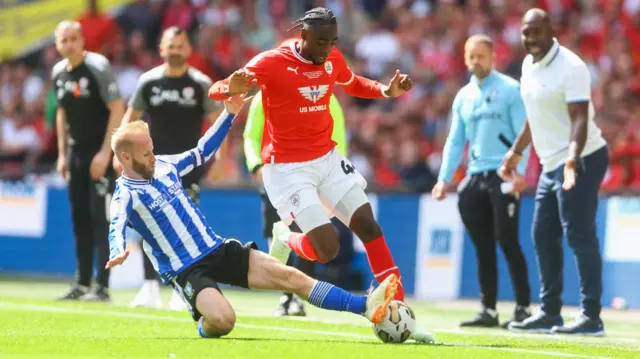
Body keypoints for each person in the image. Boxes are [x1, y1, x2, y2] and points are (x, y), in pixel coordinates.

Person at [208, 7, 435, 343]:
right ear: (303, 37)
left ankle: (397, 309)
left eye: (332, 41)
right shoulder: (271, 62)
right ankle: (287, 237)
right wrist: (229, 86)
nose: (327, 48)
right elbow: (218, 90)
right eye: (321, 42)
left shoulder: (331, 56)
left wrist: (386, 91)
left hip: (326, 158)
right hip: (287, 168)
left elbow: (352, 81)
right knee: (326, 250)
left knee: (368, 225)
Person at [105, 94, 399, 338]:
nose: (153, 157)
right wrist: (117, 251)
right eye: (146, 154)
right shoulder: (125, 194)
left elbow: (203, 150)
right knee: (224, 321)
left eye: (153, 150)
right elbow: (115, 224)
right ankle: (201, 319)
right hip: (186, 270)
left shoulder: (166, 166)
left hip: (217, 249)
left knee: (291, 277)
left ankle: (366, 307)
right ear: (126, 158)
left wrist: (228, 114)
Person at [500, 9, 608, 336]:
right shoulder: (528, 66)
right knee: (542, 235)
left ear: (550, 29)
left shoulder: (572, 67)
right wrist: (516, 153)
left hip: (582, 157)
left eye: (536, 32)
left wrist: (573, 160)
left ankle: (591, 317)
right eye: (525, 33)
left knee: (579, 234)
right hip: (550, 163)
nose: (530, 38)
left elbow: (579, 119)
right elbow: (536, 115)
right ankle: (550, 313)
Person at [115, 26, 223, 311]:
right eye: (170, 45)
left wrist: (219, 156)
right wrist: (121, 155)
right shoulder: (149, 82)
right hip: (148, 167)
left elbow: (215, 122)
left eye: (180, 45)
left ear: (188, 49)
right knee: (149, 227)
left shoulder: (200, 83)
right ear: (161, 49)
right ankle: (150, 288)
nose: (175, 50)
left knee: (186, 229)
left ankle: (183, 290)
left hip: (187, 168)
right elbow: (130, 117)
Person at [432, 35, 532, 329]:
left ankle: (524, 308)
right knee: (483, 246)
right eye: (471, 56)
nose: (476, 61)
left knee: (508, 240)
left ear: (493, 57)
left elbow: (524, 134)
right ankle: (488, 309)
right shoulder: (463, 96)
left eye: (481, 56)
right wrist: (443, 179)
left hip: (503, 175)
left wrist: (520, 173)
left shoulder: (511, 91)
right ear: (465, 58)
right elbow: (454, 141)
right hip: (475, 176)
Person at [244, 87, 349, 316]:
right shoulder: (265, 95)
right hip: (274, 179)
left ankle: (296, 299)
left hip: (310, 179)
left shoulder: (326, 97)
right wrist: (256, 166)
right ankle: (287, 296)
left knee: (307, 239)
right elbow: (251, 136)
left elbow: (338, 139)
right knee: (278, 242)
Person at [52, 20, 125, 301]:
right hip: (75, 155)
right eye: (63, 40)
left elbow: (117, 107)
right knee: (79, 218)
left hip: (99, 153)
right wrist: (62, 155)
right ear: (57, 44)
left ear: (82, 40)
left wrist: (106, 153)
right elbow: (61, 114)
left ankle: (101, 286)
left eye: (73, 38)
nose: (69, 44)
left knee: (100, 219)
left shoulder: (98, 67)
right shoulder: (58, 72)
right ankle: (81, 282)